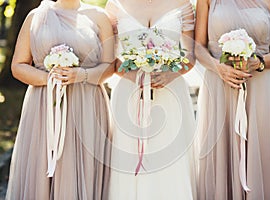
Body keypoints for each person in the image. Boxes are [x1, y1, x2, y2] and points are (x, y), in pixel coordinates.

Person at [5, 0, 114, 199]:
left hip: (87, 106)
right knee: (44, 168)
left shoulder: (99, 16)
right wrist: (50, 79)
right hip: (44, 106)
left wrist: (81, 75)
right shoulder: (36, 17)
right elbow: (18, 66)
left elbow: (110, 66)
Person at [194, 0, 270, 199]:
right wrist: (218, 67)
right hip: (219, 86)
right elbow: (198, 47)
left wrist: (259, 63)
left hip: (261, 88)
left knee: (262, 159)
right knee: (221, 160)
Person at [105, 0, 197, 199]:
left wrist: (170, 75)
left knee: (172, 159)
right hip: (129, 93)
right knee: (130, 160)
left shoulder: (183, 4)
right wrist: (134, 76)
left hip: (171, 93)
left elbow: (191, 55)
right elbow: (109, 57)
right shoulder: (115, 5)